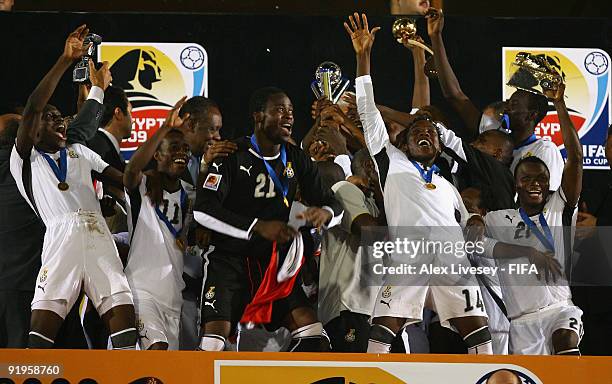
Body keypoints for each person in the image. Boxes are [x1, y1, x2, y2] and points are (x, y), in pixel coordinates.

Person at [344, 13, 493, 355]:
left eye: (431, 133)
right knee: (384, 329)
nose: (425, 134)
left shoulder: (446, 184)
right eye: (416, 133)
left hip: (453, 260)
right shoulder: (392, 163)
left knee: (480, 335)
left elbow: (467, 214)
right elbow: (367, 111)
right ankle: (369, 379)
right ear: (404, 144)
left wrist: (475, 221)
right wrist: (363, 57)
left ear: (440, 147)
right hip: (408, 257)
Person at [9, 25, 137, 350]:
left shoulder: (78, 151)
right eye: (52, 119)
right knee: (40, 338)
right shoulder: (25, 158)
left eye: (63, 120)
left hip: (99, 239)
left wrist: (97, 90)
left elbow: (122, 177)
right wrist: (65, 61)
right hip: (59, 240)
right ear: (33, 128)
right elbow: (36, 105)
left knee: (125, 324)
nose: (62, 123)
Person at [193, 86, 343, 352]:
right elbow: (204, 209)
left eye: (291, 111)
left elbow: (334, 203)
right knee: (212, 346)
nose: (288, 116)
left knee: (314, 338)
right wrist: (258, 227)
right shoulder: (230, 154)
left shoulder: (297, 158)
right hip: (229, 262)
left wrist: (326, 213)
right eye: (279, 110)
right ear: (258, 116)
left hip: (273, 265)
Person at [483, 83, 584, 355]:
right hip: (520, 321)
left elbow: (575, 159)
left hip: (559, 310)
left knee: (566, 341)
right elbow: (479, 246)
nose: (535, 184)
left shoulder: (558, 208)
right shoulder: (498, 220)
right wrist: (528, 252)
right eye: (526, 179)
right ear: (516, 185)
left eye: (541, 178)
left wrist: (559, 105)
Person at [426, 7, 564, 191]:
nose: (506, 108)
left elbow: (547, 200)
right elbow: (455, 96)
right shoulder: (493, 135)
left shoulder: (545, 150)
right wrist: (436, 37)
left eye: (513, 105)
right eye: (508, 103)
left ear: (531, 115)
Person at [123, 97, 192, 350]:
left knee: (165, 371)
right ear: (157, 154)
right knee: (156, 350)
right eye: (173, 148)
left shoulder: (191, 196)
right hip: (142, 292)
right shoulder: (143, 186)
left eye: (185, 149)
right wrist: (163, 128)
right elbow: (131, 171)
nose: (181, 153)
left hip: (173, 297)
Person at [177, 96, 237, 350]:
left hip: (208, 268)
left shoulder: (219, 161)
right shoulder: (170, 156)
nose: (217, 136)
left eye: (219, 129)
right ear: (190, 124)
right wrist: (204, 168)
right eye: (212, 128)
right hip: (174, 271)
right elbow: (186, 204)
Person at [318, 149, 384, 352]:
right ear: (370, 167)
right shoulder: (343, 188)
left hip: (372, 308)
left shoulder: (372, 200)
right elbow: (370, 232)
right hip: (348, 305)